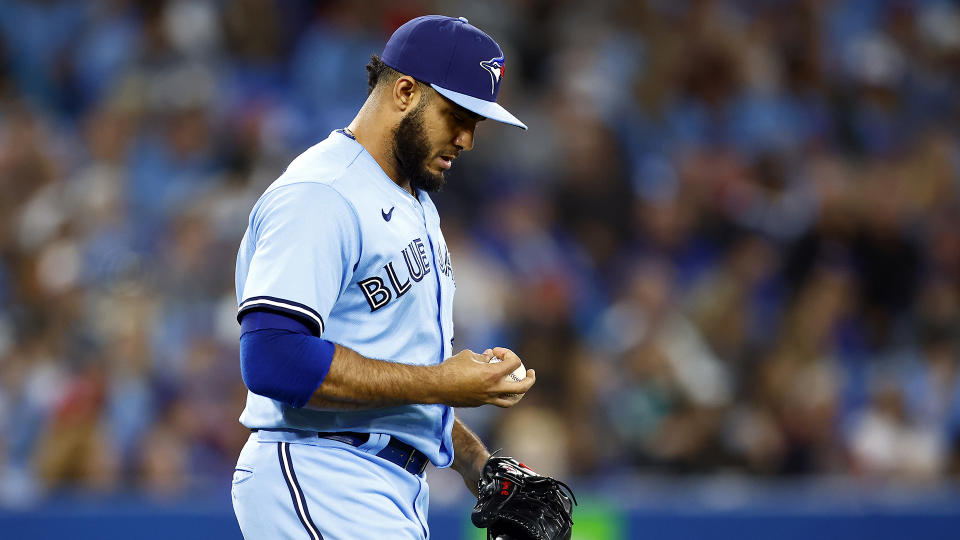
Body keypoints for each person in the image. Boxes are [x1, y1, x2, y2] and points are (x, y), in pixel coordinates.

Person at [230, 15, 534, 540]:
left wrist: (477, 465)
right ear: (405, 92)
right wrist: (444, 383)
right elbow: (273, 358)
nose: (467, 138)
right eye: (457, 115)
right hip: (321, 472)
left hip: (380, 486)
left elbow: (389, 372)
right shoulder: (322, 193)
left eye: (477, 123)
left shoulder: (410, 198)